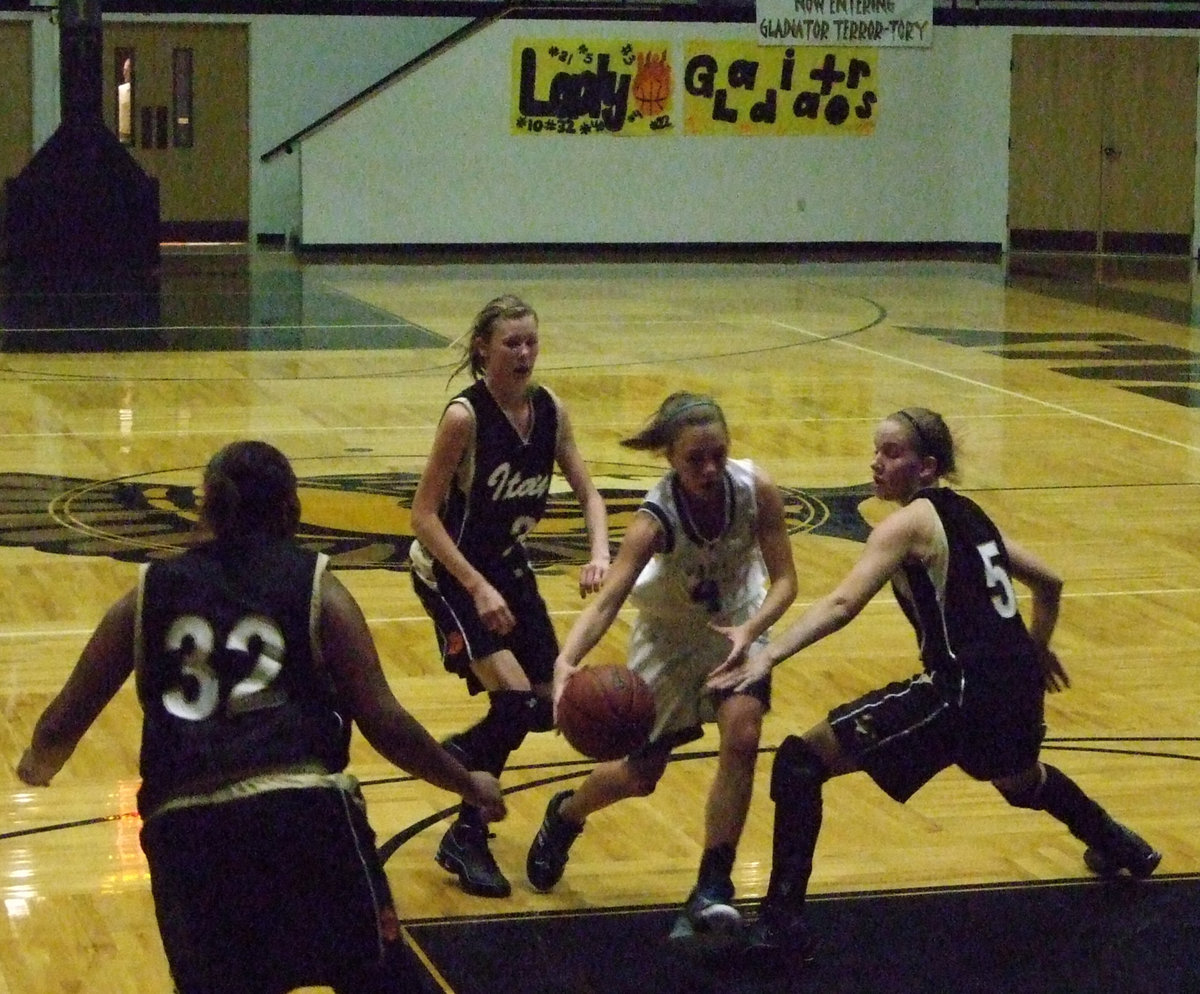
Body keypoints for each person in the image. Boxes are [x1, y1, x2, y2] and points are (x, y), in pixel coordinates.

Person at [17, 440, 506, 994]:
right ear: (290, 511)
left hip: (188, 831)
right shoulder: (316, 585)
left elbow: (62, 722)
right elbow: (384, 721)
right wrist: (467, 782)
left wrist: (38, 764)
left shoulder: (148, 592)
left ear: (206, 508)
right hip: (303, 814)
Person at [706, 407, 1161, 962]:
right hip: (1014, 686)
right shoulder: (971, 516)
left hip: (959, 690)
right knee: (1020, 782)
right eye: (876, 449)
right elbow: (1051, 582)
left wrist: (768, 655)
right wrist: (1034, 650)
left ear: (926, 468)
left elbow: (845, 602)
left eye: (891, 453)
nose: (876, 462)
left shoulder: (910, 524)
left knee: (801, 761)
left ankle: (782, 928)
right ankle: (1119, 843)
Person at [526, 391, 799, 941]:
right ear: (670, 458)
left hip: (739, 622)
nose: (709, 467)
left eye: (718, 454)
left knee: (743, 736)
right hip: (669, 639)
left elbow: (788, 581)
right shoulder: (654, 519)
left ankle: (713, 884)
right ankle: (567, 814)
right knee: (640, 775)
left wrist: (752, 629)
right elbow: (606, 602)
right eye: (695, 458)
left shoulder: (755, 490)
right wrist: (566, 661)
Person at [409, 294, 611, 898]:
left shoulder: (549, 410)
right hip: (449, 571)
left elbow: (591, 495)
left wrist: (599, 553)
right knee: (515, 700)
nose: (524, 354)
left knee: (547, 704)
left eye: (531, 342)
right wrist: (475, 586)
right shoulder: (464, 419)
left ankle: (459, 758)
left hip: (506, 568)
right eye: (511, 343)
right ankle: (467, 830)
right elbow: (422, 517)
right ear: (482, 349)